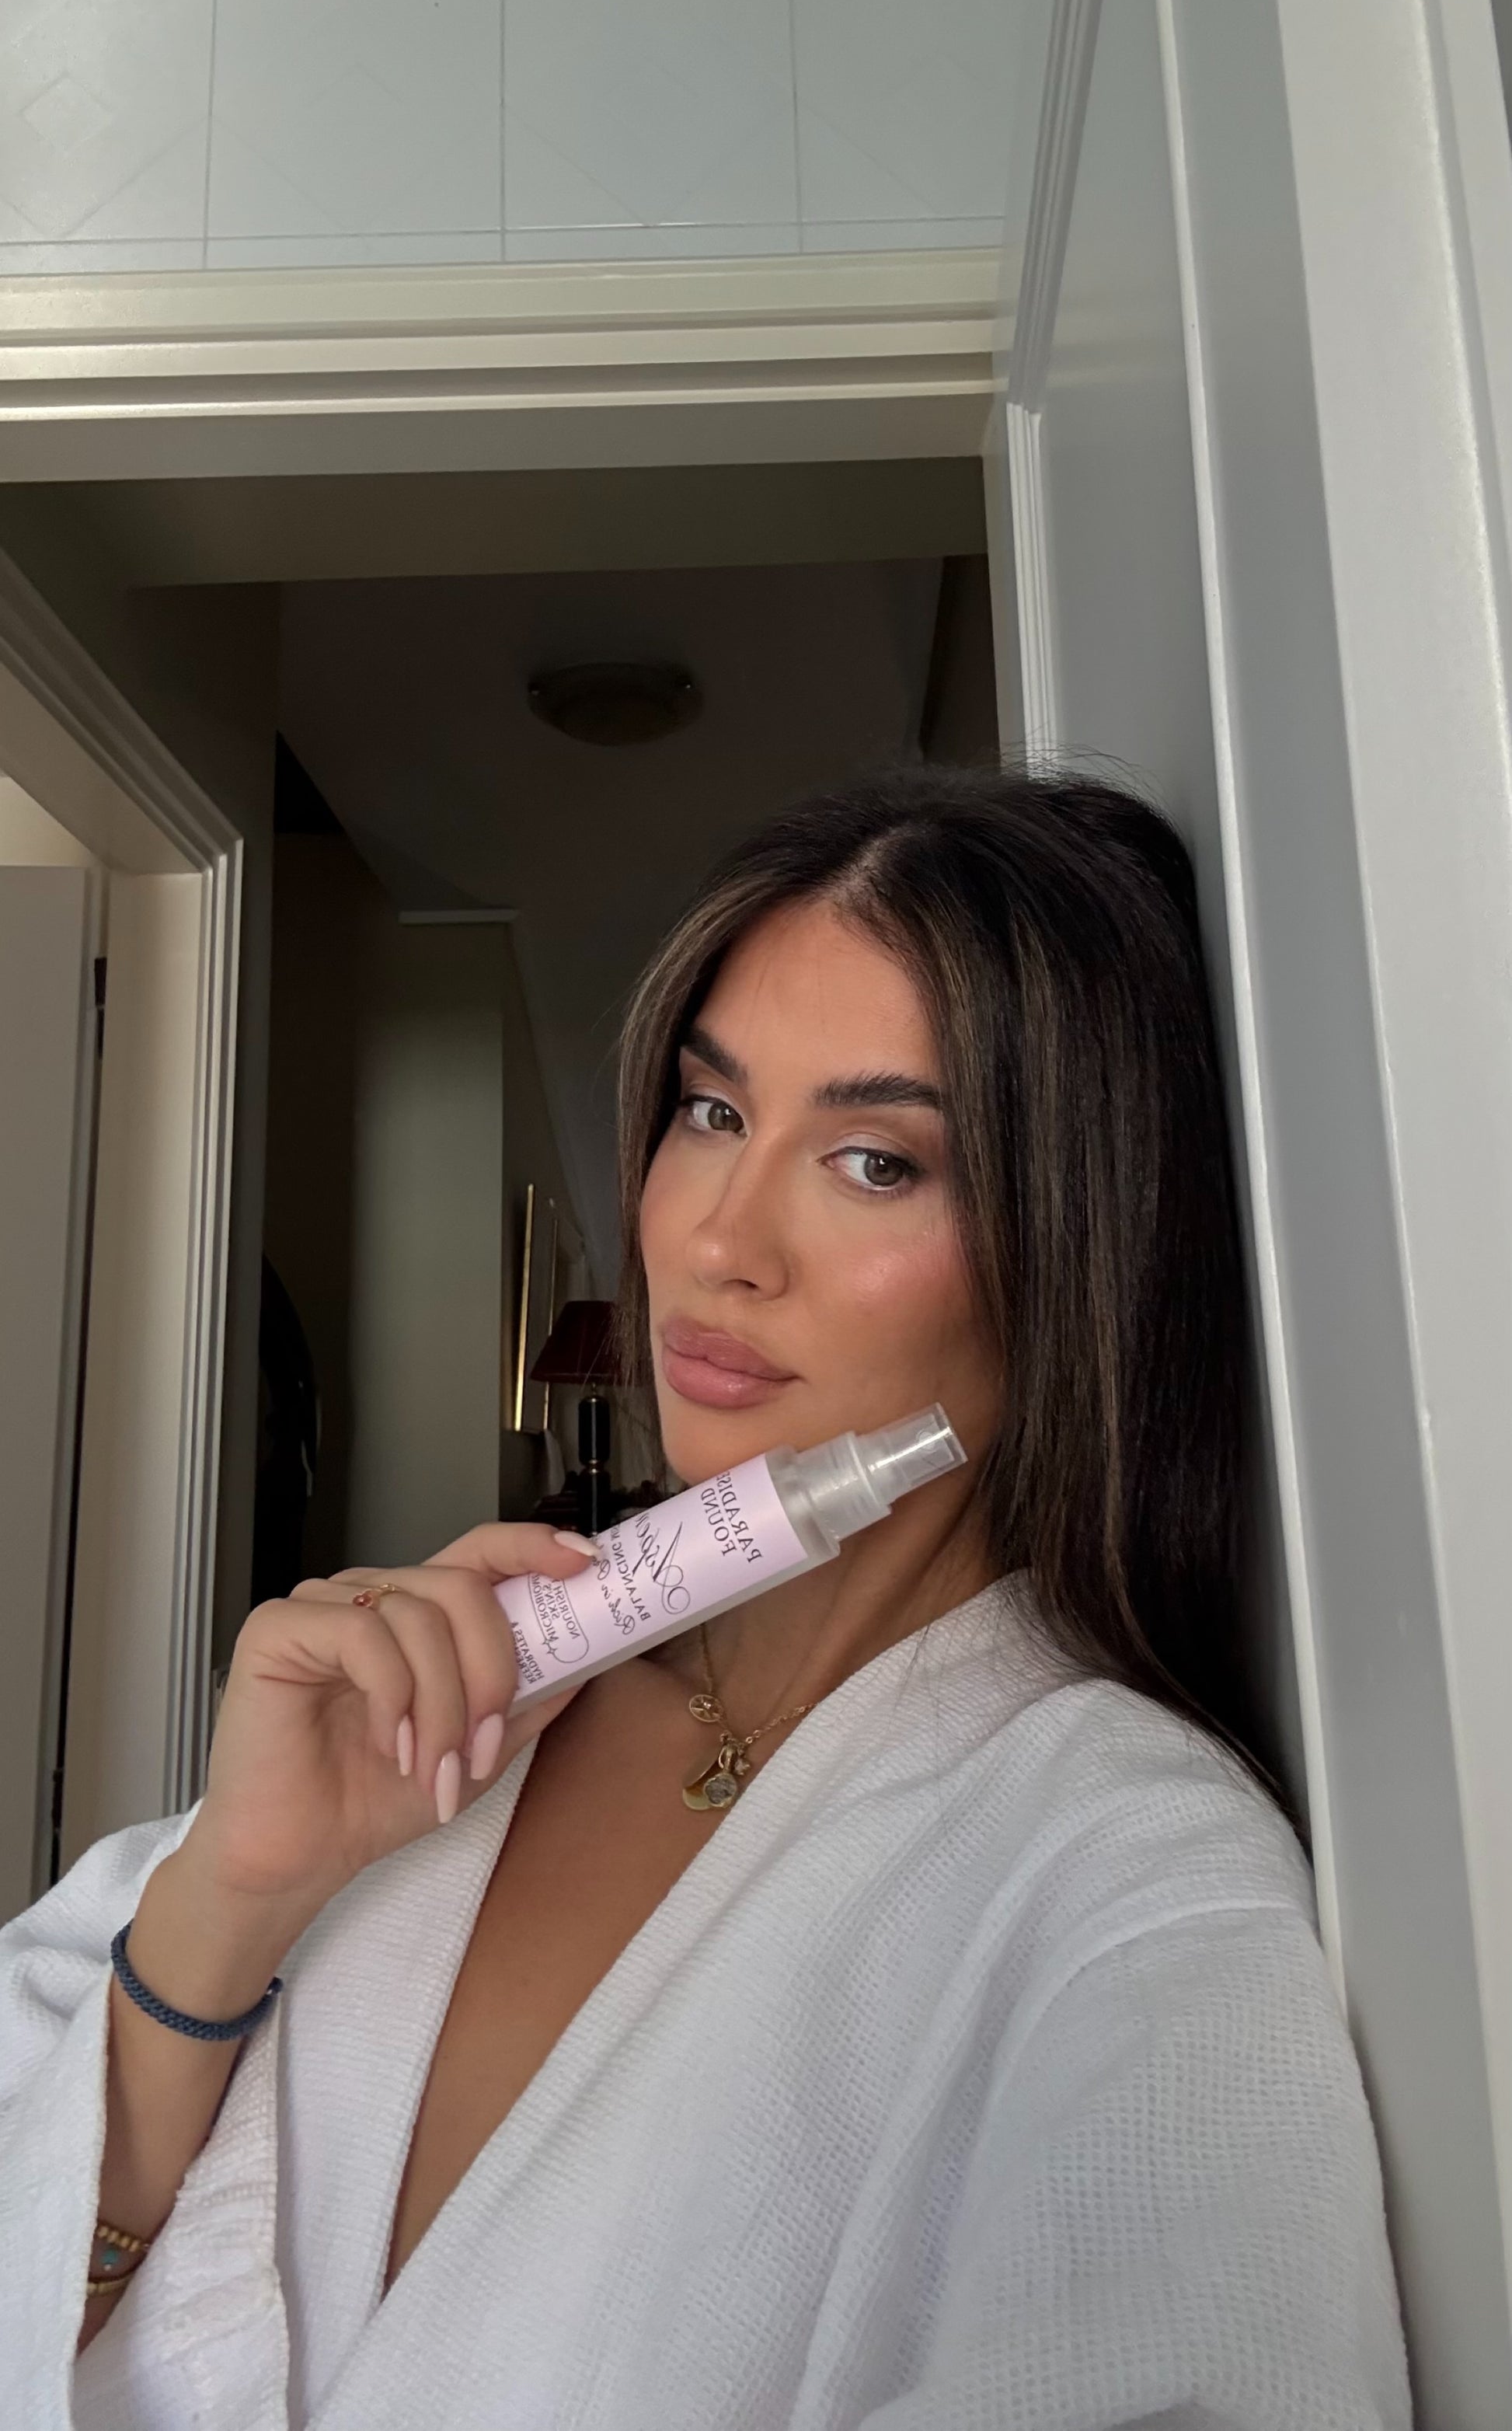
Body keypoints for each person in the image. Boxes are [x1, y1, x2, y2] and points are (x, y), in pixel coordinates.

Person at [1, 765, 1409, 2430]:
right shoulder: (475, 1695)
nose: (716, 1237)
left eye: (878, 1159)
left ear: (1076, 1246)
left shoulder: (1134, 1878)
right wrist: (229, 1897)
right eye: (713, 1110)